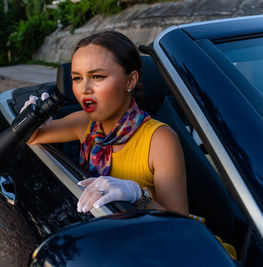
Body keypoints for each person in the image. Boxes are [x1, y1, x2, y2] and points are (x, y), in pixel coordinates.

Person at [21, 31, 188, 216]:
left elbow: (180, 223)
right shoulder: (85, 124)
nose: (84, 89)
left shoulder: (160, 139)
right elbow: (31, 137)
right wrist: (33, 117)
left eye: (98, 76)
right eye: (77, 78)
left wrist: (138, 196)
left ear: (130, 80)